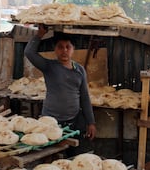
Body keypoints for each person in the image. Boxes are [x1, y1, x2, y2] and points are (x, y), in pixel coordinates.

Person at [24, 24, 97, 156]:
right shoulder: (49, 66)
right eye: (60, 47)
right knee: (50, 155)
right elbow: (29, 53)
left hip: (74, 121)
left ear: (73, 49)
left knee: (74, 156)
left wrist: (91, 122)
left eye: (68, 47)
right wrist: (39, 35)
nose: (64, 51)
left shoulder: (79, 70)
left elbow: (85, 97)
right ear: (55, 50)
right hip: (51, 122)